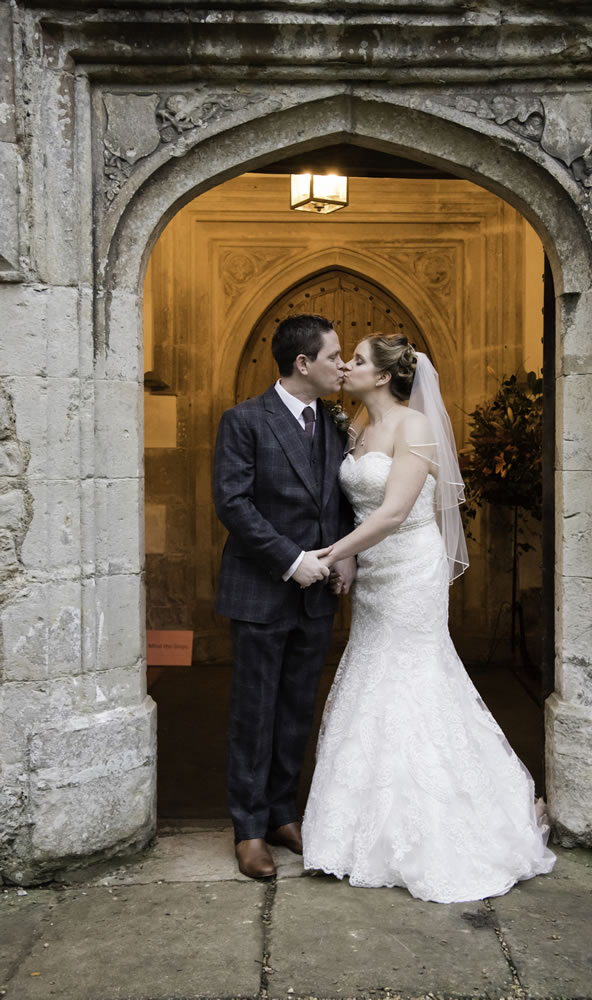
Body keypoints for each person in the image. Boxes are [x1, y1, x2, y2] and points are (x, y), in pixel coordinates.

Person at [302, 333, 556, 903]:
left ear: (387, 375)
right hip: (374, 574)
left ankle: (450, 822)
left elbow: (393, 512)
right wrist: (354, 563)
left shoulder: (414, 428)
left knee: (416, 677)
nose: (348, 366)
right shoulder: (358, 429)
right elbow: (355, 502)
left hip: (412, 569)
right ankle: (361, 826)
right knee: (373, 676)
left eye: (359, 360)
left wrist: (331, 554)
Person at [213, 314, 355, 880]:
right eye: (334, 356)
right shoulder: (244, 420)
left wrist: (343, 551)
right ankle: (247, 828)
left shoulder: (334, 423)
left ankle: (281, 814)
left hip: (317, 596)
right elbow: (233, 503)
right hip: (262, 590)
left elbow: (338, 498)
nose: (342, 365)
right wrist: (292, 561)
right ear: (303, 363)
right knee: (255, 712)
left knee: (297, 710)